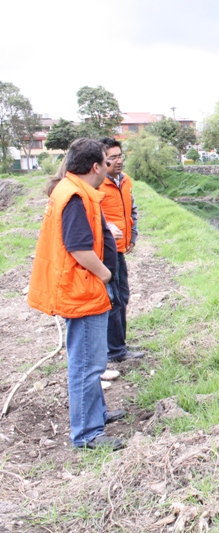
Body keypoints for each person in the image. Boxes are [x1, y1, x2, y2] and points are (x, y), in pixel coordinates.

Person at [27, 138, 126, 451]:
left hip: (83, 288)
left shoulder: (76, 191)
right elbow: (79, 247)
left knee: (91, 361)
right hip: (81, 291)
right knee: (86, 365)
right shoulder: (74, 196)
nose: (109, 168)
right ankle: (87, 434)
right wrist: (105, 273)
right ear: (95, 167)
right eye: (106, 164)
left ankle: (96, 414)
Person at [98, 138, 143, 364]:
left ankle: (119, 343)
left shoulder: (125, 181)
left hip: (120, 250)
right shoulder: (96, 185)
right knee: (113, 299)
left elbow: (131, 211)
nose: (118, 161)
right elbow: (94, 218)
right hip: (106, 252)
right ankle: (115, 351)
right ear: (101, 161)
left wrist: (132, 236)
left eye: (119, 155)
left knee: (122, 297)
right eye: (112, 158)